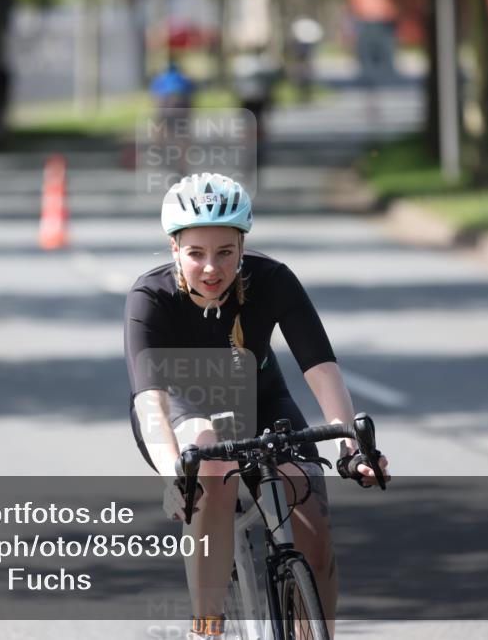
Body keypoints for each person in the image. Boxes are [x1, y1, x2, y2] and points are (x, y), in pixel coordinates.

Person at [124, 173, 390, 639]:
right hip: (181, 416)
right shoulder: (150, 298)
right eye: (196, 254)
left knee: (307, 494)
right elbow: (151, 402)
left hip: (261, 400)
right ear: (174, 249)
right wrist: (175, 476)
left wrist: (351, 445)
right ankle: (206, 628)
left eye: (225, 252)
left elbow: (321, 368)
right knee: (211, 466)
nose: (211, 268)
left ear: (242, 247)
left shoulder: (273, 279)